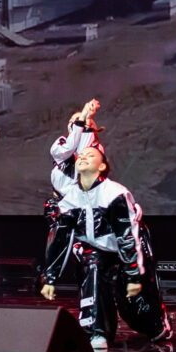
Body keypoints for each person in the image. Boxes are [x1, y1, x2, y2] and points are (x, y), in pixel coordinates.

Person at [40, 134, 172, 352]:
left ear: (101, 166)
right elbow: (60, 240)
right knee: (92, 268)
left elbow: (127, 237)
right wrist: (50, 278)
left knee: (136, 305)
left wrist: (132, 274)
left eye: (90, 155)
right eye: (81, 155)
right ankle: (97, 331)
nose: (83, 157)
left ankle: (157, 324)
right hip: (96, 248)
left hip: (128, 247)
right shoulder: (70, 199)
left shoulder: (115, 194)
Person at [40, 100, 104, 292]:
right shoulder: (60, 144)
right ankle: (49, 278)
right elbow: (68, 149)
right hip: (63, 204)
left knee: (84, 251)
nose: (79, 124)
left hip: (85, 206)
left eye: (84, 122)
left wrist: (85, 120)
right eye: (74, 122)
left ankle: (89, 286)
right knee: (58, 243)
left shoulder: (95, 152)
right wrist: (82, 119)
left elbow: (83, 150)